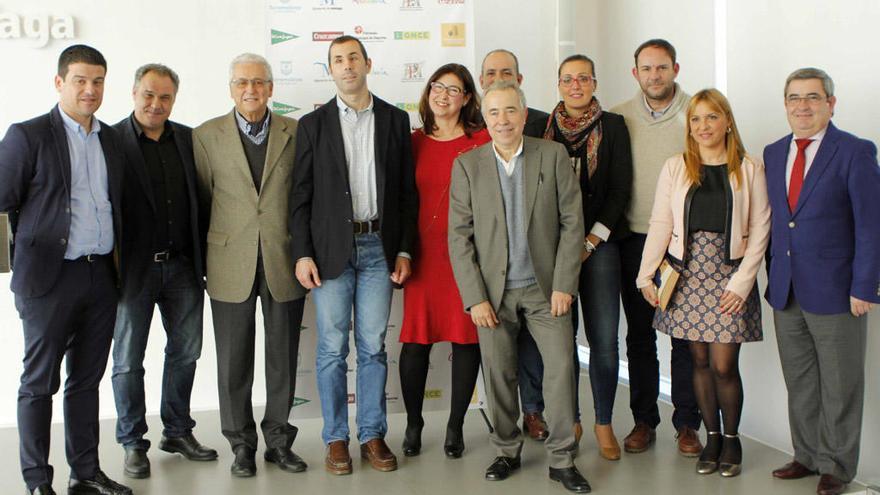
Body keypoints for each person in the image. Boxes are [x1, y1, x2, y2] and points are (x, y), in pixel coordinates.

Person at [0, 44, 132, 495]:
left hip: (100, 277)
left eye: (97, 81)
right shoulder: (28, 135)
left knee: (86, 382)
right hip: (48, 280)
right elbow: (3, 201)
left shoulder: (112, 138)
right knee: (39, 383)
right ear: (60, 83)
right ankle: (38, 481)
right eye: (80, 80)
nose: (90, 89)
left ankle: (86, 472)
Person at [449, 80, 589, 493]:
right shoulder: (468, 165)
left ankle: (562, 459)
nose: (503, 120)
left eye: (510, 111)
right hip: (493, 293)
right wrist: (475, 297)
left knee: (562, 370)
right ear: (484, 118)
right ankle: (506, 450)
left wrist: (565, 284)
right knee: (498, 374)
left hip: (547, 289)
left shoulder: (552, 155)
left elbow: (571, 222)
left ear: (524, 115)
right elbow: (459, 237)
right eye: (494, 112)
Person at [290, 35, 418, 475]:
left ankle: (372, 435)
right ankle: (336, 440)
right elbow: (300, 197)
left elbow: (405, 192)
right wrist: (302, 253)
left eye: (352, 58)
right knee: (329, 350)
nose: (346, 66)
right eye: (337, 60)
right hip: (329, 253)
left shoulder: (395, 120)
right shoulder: (313, 125)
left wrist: (404, 248)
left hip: (380, 248)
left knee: (372, 348)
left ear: (368, 63)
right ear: (331, 70)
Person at [637, 89, 770, 477]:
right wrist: (646, 274)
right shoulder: (676, 167)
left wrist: (743, 284)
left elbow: (762, 227)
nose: (703, 126)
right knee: (697, 360)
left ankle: (732, 440)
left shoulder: (749, 167)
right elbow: (661, 222)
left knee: (724, 365)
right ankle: (711, 438)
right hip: (687, 274)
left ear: (727, 121)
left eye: (711, 117)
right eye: (696, 119)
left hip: (731, 276)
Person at [764, 68, 880, 495]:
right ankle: (807, 455)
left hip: (838, 290)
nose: (803, 106)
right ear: (786, 105)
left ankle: (838, 467)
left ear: (831, 103)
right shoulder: (775, 152)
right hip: (786, 288)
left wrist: (865, 286)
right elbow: (780, 221)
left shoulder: (855, 152)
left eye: (813, 97)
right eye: (794, 98)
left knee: (841, 384)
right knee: (800, 381)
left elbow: (871, 226)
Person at [193, 53, 306, 478]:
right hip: (228, 261)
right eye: (242, 82)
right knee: (233, 361)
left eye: (259, 82)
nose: (251, 90)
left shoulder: (296, 132)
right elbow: (203, 201)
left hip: (283, 259)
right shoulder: (205, 136)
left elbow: (303, 198)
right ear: (231, 88)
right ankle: (241, 445)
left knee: (283, 358)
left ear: (271, 88)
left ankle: (279, 441)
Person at [111, 63, 217, 480]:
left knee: (186, 352)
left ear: (174, 99)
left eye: (165, 97)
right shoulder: (111, 141)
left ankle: (177, 431)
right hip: (132, 272)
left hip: (184, 268)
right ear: (134, 92)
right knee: (126, 361)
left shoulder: (190, 140)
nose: (156, 104)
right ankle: (132, 442)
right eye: (149, 95)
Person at [610, 39, 702, 456]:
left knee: (685, 337)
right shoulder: (618, 117)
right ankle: (644, 421)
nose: (654, 76)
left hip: (687, 244)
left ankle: (687, 424)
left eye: (661, 68)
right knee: (641, 337)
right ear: (635, 74)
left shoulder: (697, 115)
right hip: (634, 240)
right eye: (646, 69)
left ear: (675, 69)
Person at [398, 63, 489, 459]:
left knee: (466, 338)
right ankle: (414, 424)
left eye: (454, 89)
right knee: (415, 342)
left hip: (469, 255)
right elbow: (399, 202)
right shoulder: (411, 142)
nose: (443, 94)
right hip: (422, 254)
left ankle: (455, 426)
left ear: (467, 98)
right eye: (437, 86)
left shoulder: (483, 140)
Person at [543, 54, 632, 460]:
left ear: (595, 82)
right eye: (567, 79)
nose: (575, 85)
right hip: (553, 249)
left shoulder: (613, 127)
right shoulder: (541, 129)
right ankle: (570, 420)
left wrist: (590, 243)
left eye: (583, 78)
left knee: (604, 341)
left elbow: (619, 190)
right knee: (561, 342)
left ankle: (603, 422)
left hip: (599, 247)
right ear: (558, 84)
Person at [478, 47, 552, 442]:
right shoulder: (474, 140)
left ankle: (536, 412)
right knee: (498, 361)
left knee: (540, 354)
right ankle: (505, 439)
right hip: (492, 273)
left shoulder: (540, 129)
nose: (497, 78)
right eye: (490, 73)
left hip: (537, 271)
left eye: (506, 72)